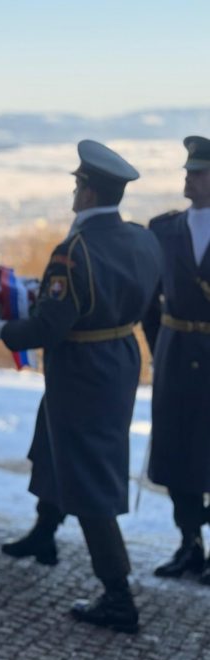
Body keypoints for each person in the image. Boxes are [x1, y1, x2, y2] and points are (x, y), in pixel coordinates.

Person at [0, 140, 161, 633]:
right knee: (51, 440)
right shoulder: (142, 239)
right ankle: (44, 531)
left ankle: (118, 593)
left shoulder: (74, 251)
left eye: (77, 185)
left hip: (81, 367)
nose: (74, 192)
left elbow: (49, 327)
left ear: (87, 191)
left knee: (89, 476)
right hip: (116, 361)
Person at [140, 135, 210, 583]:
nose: (189, 177)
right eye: (188, 170)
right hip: (175, 350)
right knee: (177, 450)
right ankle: (190, 545)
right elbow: (150, 299)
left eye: (199, 172)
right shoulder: (162, 229)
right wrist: (160, 345)